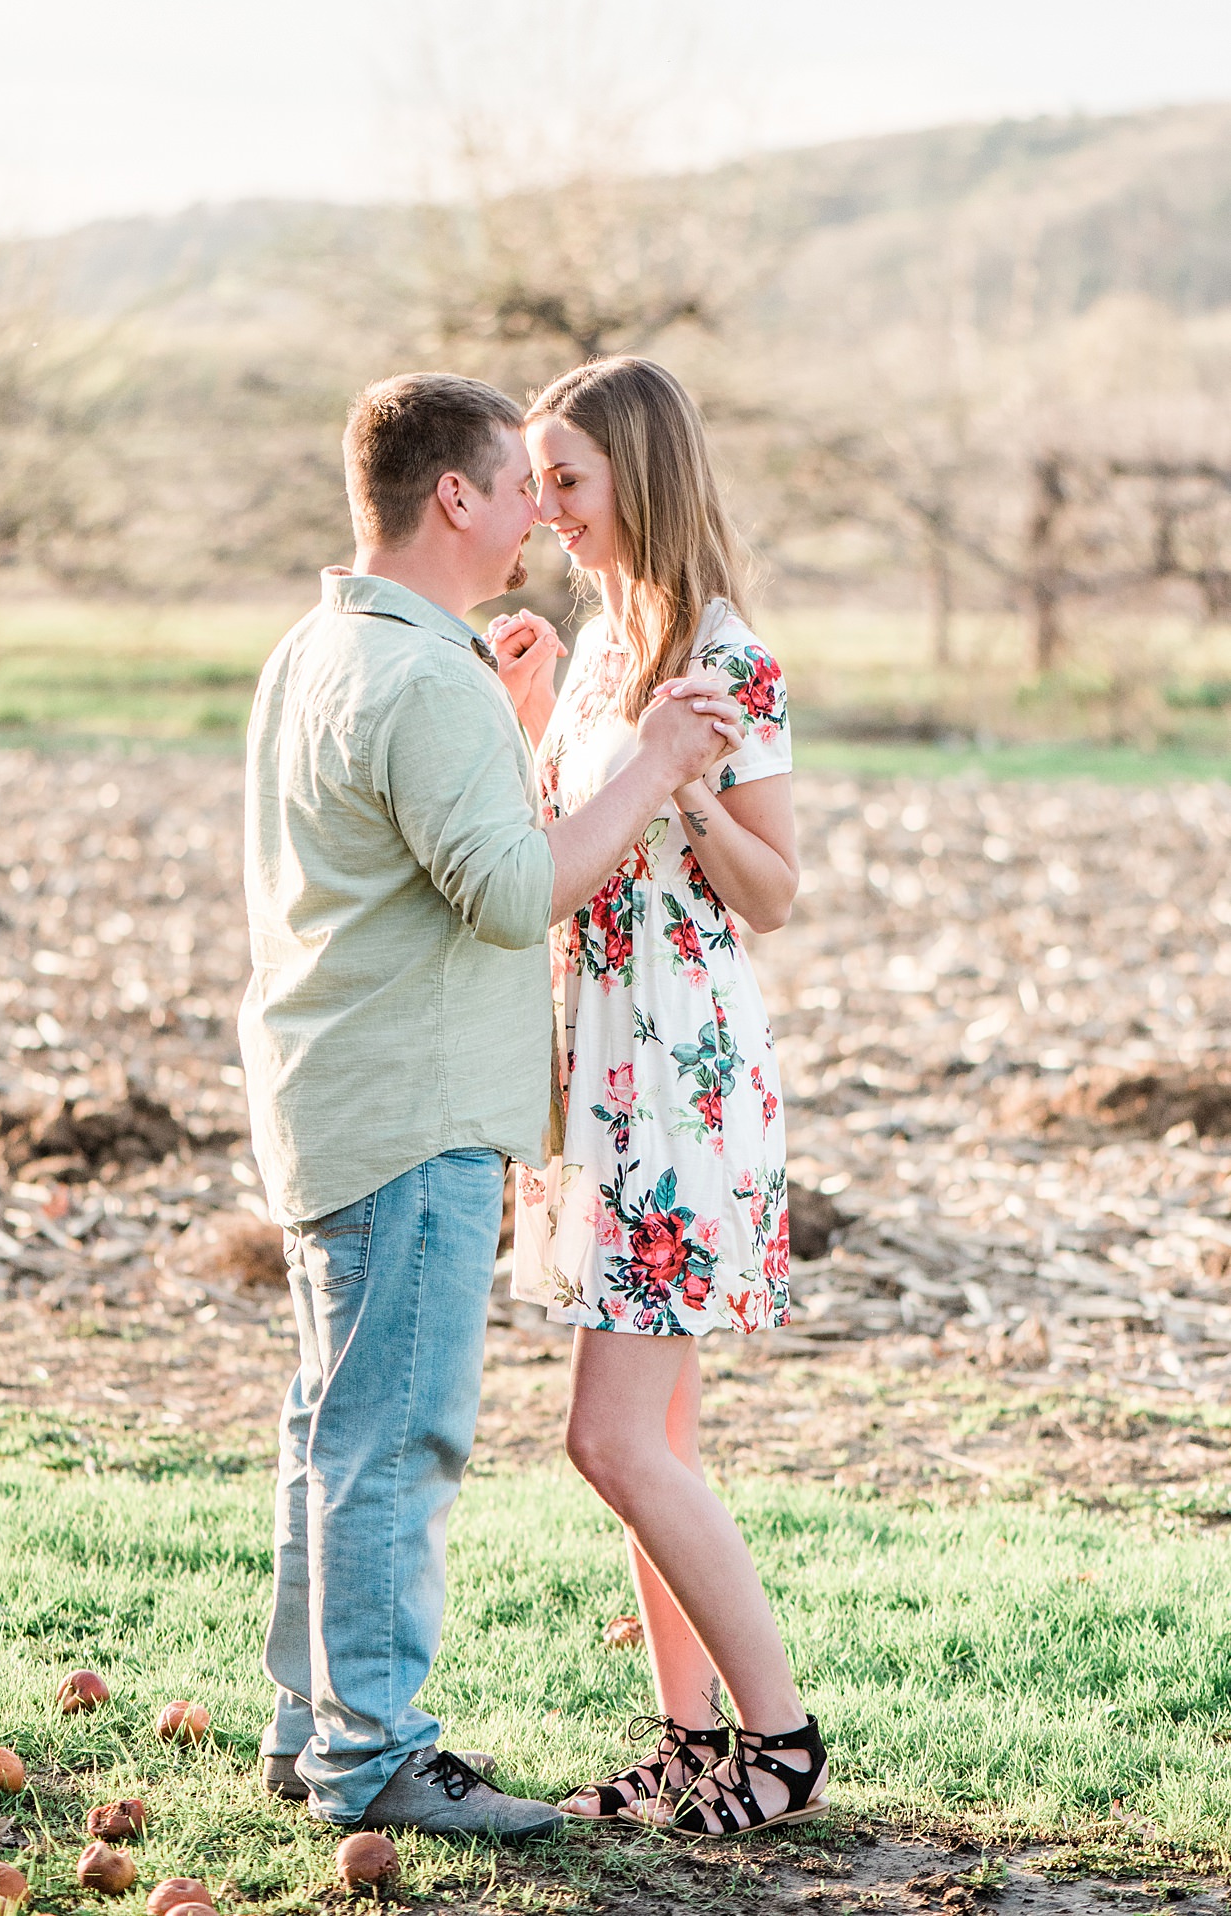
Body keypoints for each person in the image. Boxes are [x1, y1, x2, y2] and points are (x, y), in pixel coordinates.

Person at [238, 371, 743, 1842]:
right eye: (518, 485)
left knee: (332, 1427)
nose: (538, 512)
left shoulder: (317, 647)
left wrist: (522, 717)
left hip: (327, 1093)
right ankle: (374, 1754)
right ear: (453, 497)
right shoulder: (419, 675)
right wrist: (652, 762)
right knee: (393, 1440)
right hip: (412, 1112)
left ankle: (307, 1722)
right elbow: (516, 893)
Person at [492, 356, 828, 1840]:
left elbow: (774, 893)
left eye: (567, 477)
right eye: (534, 478)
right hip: (598, 1078)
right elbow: (556, 846)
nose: (543, 505)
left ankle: (782, 1739)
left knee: (610, 1439)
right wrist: (533, 712)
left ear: (638, 471)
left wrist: (690, 788)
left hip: (678, 1083)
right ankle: (690, 1742)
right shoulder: (601, 634)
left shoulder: (719, 651)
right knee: (654, 1442)